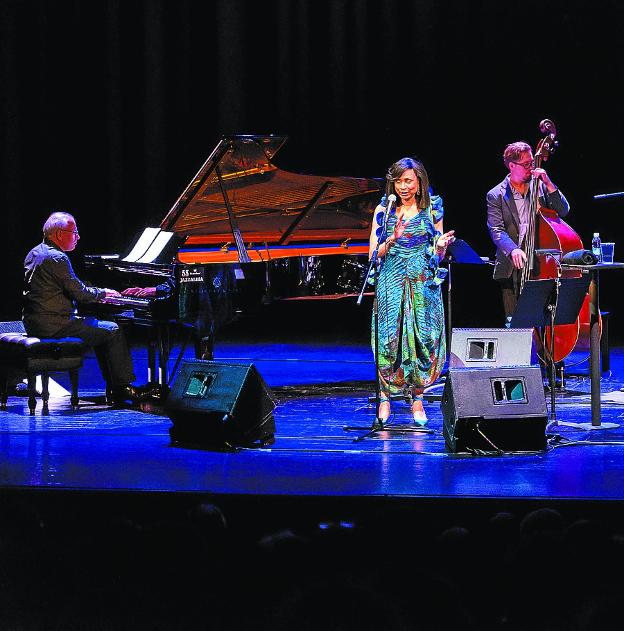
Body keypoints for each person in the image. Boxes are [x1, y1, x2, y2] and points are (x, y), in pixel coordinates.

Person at [22, 211, 159, 405]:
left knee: (101, 328)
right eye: (74, 231)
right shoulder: (57, 258)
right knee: (112, 330)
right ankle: (123, 388)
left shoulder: (35, 252)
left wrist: (95, 292)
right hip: (54, 325)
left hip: (35, 322)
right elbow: (80, 293)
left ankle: (114, 387)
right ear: (60, 234)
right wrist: (104, 293)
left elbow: (68, 287)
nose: (78, 236)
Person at [368, 157, 455, 424]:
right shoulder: (384, 211)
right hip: (391, 279)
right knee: (388, 340)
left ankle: (417, 400)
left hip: (422, 280)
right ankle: (384, 399)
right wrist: (392, 237)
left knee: (421, 341)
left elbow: (436, 255)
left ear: (419, 183)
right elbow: (373, 254)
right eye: (398, 181)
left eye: (408, 181)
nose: (402, 187)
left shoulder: (433, 209)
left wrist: (440, 247)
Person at [486, 141, 570, 319]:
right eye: (526, 164)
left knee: (544, 319)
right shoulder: (495, 195)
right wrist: (513, 249)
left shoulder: (540, 185)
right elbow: (496, 230)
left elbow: (564, 210)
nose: (531, 168)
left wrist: (548, 183)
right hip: (511, 267)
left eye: (532, 162)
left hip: (541, 265)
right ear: (511, 166)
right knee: (514, 323)